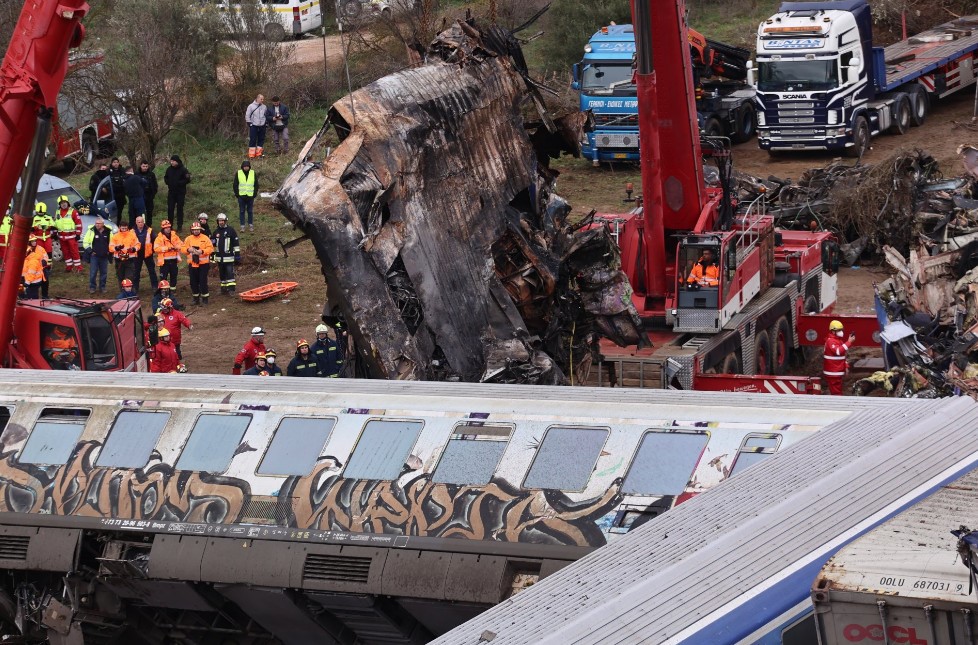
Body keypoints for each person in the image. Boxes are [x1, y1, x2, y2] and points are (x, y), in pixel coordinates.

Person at [184, 221, 213, 305]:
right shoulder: (188, 239)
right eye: (194, 230)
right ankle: (195, 298)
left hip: (203, 264)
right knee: (193, 282)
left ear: (200, 229)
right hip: (192, 264)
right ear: (192, 230)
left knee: (203, 281)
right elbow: (183, 248)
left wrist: (202, 251)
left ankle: (205, 298)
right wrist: (188, 249)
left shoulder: (205, 238)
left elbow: (210, 249)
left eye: (197, 229)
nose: (196, 231)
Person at [824, 320, 855, 396]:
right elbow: (838, 351)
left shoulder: (838, 341)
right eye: (839, 330)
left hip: (837, 371)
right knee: (836, 393)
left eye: (841, 330)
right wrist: (849, 342)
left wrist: (846, 366)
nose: (841, 332)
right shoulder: (831, 341)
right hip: (833, 372)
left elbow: (842, 356)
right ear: (833, 331)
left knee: (838, 390)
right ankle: (837, 405)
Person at [53, 195, 83, 273]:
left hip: (71, 237)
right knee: (65, 252)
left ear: (68, 203)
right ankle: (69, 266)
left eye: (65, 202)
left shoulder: (73, 211)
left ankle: (78, 267)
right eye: (62, 203)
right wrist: (55, 233)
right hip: (62, 237)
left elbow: (78, 224)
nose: (63, 204)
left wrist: (78, 234)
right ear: (59, 204)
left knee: (74, 252)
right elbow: (55, 224)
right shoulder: (57, 212)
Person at [212, 213, 240, 294]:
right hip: (219, 258)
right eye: (219, 221)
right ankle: (223, 288)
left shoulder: (231, 230)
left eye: (222, 221)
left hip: (229, 257)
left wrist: (237, 255)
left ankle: (231, 289)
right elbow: (212, 245)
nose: (221, 222)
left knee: (229, 273)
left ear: (225, 221)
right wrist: (212, 256)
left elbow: (236, 243)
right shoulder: (216, 232)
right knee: (222, 274)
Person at [82, 216, 112, 294]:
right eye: (96, 223)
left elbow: (112, 243)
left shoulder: (108, 231)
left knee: (104, 273)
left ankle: (102, 287)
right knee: (93, 272)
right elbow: (85, 242)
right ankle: (92, 287)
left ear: (103, 224)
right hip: (94, 256)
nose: (97, 225)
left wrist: (110, 251)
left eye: (99, 223)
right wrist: (90, 251)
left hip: (104, 256)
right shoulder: (91, 230)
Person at [164, 155, 191, 231]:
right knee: (170, 209)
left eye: (173, 161)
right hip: (171, 192)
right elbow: (165, 177)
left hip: (180, 192)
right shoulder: (169, 169)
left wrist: (179, 183)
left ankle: (179, 226)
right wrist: (168, 182)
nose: (171, 162)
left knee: (180, 209)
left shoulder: (183, 170)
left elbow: (188, 179)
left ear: (177, 161)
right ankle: (170, 225)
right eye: (171, 161)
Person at [110, 220, 140, 287]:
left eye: (125, 228)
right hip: (119, 260)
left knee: (130, 277)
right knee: (120, 277)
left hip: (130, 259)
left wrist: (133, 249)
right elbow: (110, 247)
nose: (124, 230)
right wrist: (116, 248)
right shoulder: (115, 236)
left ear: (127, 227)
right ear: (119, 227)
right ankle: (122, 293)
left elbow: (138, 245)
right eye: (122, 228)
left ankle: (130, 292)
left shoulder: (132, 235)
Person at [132, 215, 158, 293]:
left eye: (142, 222)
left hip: (148, 254)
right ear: (136, 223)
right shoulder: (132, 231)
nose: (140, 224)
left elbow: (156, 240)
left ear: (144, 222)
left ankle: (155, 286)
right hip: (137, 255)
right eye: (139, 222)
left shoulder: (149, 230)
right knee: (136, 272)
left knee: (152, 271)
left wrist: (152, 250)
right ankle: (135, 287)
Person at [153, 219, 182, 288]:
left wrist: (176, 247)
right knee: (163, 277)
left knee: (174, 276)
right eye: (166, 228)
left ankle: (173, 290)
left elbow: (181, 244)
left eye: (169, 227)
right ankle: (163, 290)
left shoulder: (175, 236)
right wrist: (167, 248)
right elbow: (156, 249)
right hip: (164, 262)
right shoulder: (159, 238)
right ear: (163, 228)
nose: (168, 229)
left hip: (174, 260)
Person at [21, 235, 48, 299]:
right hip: (31, 273)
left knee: (45, 284)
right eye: (32, 241)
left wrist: (44, 261)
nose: (34, 242)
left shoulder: (40, 249)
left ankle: (45, 296)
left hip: (41, 269)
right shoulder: (27, 249)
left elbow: (46, 257)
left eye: (35, 241)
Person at [233, 160, 257, 232]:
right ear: (242, 167)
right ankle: (242, 226)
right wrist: (237, 194)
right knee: (242, 211)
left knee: (250, 211)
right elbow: (235, 184)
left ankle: (250, 225)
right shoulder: (239, 173)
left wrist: (254, 194)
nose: (246, 168)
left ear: (249, 167)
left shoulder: (253, 173)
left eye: (247, 166)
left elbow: (256, 185)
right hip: (241, 196)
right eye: (245, 166)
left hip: (250, 196)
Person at [136, 160, 158, 224]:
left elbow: (155, 184)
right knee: (140, 212)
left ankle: (149, 226)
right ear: (141, 166)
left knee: (149, 212)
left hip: (149, 196)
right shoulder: (137, 174)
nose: (145, 168)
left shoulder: (151, 174)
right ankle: (140, 225)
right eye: (143, 166)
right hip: (140, 196)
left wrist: (153, 193)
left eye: (146, 166)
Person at [245, 93, 267, 159]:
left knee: (261, 139)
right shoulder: (251, 106)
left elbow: (266, 115)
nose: (262, 100)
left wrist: (266, 123)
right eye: (261, 99)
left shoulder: (264, 107)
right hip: (254, 125)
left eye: (263, 99)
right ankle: (251, 155)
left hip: (262, 125)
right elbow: (247, 115)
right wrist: (250, 123)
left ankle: (259, 154)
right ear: (257, 99)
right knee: (253, 139)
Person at [107, 157, 127, 223]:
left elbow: (125, 180)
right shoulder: (108, 171)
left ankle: (118, 224)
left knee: (119, 212)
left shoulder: (122, 170)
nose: (116, 164)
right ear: (112, 163)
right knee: (111, 212)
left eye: (117, 162)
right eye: (114, 162)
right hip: (112, 195)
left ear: (119, 163)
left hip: (121, 195)